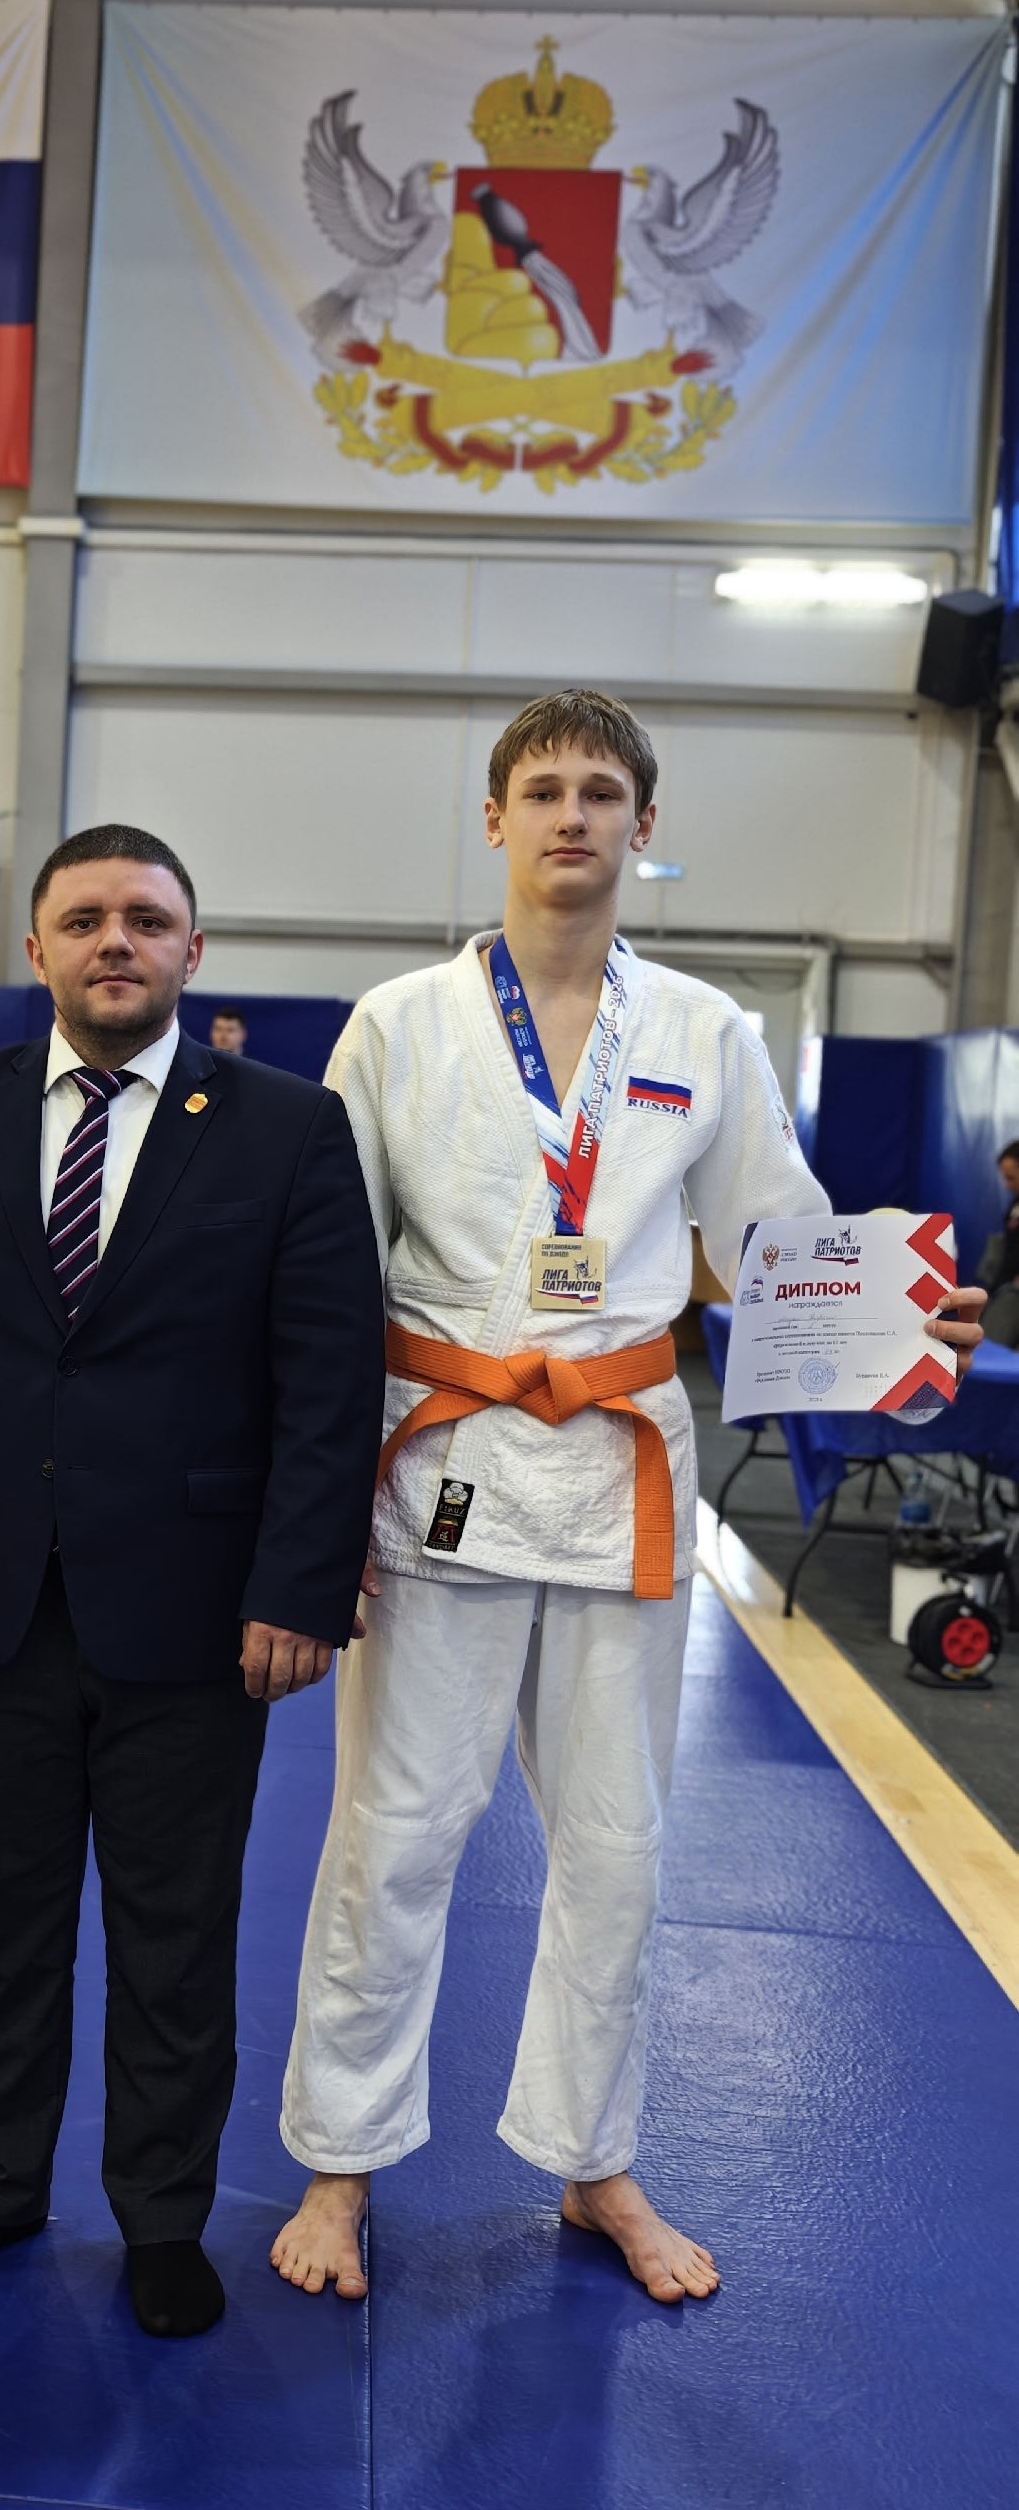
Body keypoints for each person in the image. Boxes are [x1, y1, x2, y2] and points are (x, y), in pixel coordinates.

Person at [270, 689, 986, 2309]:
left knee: (617, 1846)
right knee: (397, 1834)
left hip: (620, 1471)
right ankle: (341, 2162)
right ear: (495, 820)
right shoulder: (398, 1024)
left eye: (602, 792)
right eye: (544, 790)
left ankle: (594, 2162)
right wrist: (311, 1516)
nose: (572, 816)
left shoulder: (707, 1031)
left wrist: (901, 1321)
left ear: (642, 829)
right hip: (439, 1461)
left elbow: (777, 1243)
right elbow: (323, 1274)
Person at [0, 825, 386, 2338]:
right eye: (84, 920)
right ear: (38, 950)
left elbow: (330, 1378)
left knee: (175, 1930)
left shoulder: (285, 1127)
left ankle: (161, 2214)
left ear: (194, 950)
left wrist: (302, 1585)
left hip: (199, 1607)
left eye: (145, 919)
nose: (114, 942)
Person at [973, 1141, 1019, 1348]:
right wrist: (993, 1289)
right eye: (1005, 1178)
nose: (1007, 1185)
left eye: (1011, 1177)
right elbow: (1009, 1254)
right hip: (1007, 1287)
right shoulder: (1014, 1206)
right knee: (987, 1344)